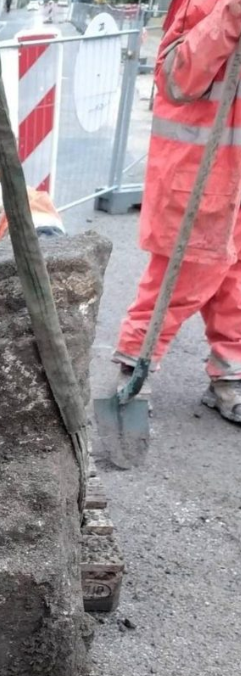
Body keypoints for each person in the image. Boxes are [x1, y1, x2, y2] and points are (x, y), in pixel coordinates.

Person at [112, 0, 241, 424]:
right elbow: (176, 79)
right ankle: (135, 365)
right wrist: (229, 17)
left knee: (235, 286)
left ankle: (231, 372)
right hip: (204, 173)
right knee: (181, 276)